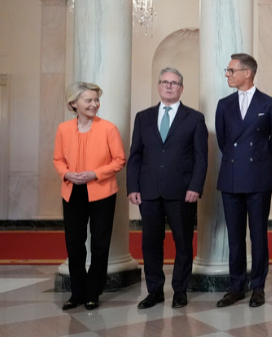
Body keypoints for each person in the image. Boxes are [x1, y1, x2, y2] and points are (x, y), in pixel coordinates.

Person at [127, 68, 207, 309]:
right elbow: (135, 155)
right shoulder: (143, 117)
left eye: (174, 83)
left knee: (183, 243)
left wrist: (195, 186)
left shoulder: (194, 118)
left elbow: (201, 157)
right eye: (164, 82)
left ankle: (180, 290)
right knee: (150, 243)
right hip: (148, 190)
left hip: (182, 192)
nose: (169, 86)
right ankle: (154, 291)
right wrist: (133, 186)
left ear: (181, 88)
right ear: (159, 86)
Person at [215, 53, 272, 308]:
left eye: (231, 70)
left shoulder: (269, 103)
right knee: (235, 237)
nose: (227, 74)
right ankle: (236, 287)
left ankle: (258, 287)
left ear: (248, 73)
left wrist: (261, 163)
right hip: (231, 178)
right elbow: (223, 142)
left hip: (258, 178)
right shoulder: (224, 104)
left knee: (258, 236)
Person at [53, 82, 126, 311]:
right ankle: (77, 292)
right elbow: (58, 159)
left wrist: (95, 173)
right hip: (72, 191)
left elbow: (119, 160)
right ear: (73, 103)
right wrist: (67, 174)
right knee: (74, 243)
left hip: (102, 192)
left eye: (96, 100)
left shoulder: (109, 128)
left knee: (100, 243)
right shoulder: (63, 129)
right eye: (89, 100)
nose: (94, 104)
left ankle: (93, 292)